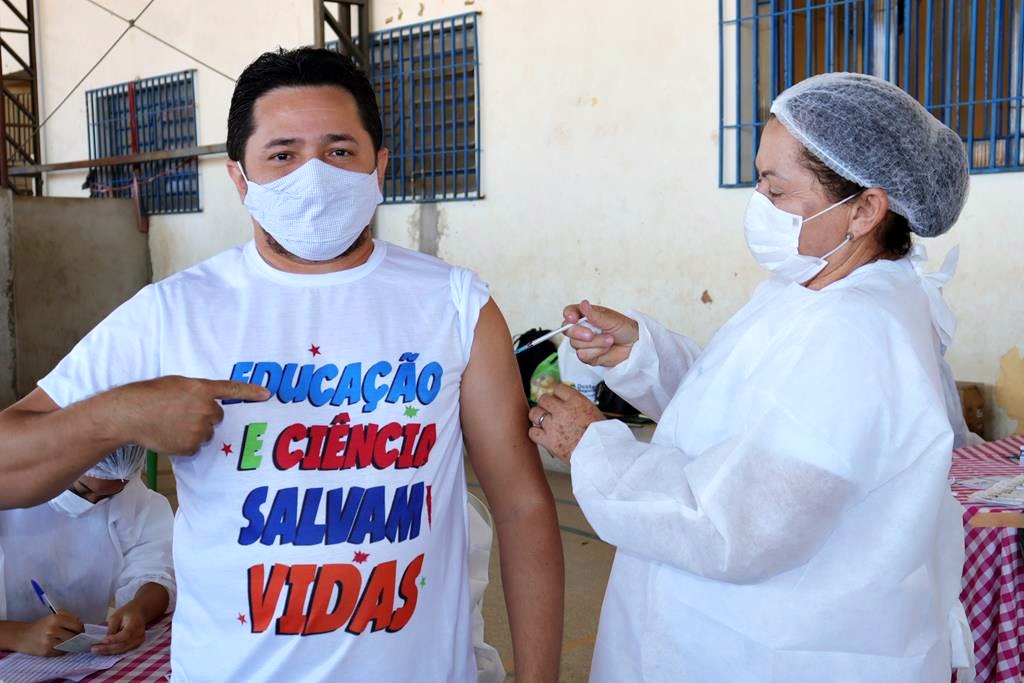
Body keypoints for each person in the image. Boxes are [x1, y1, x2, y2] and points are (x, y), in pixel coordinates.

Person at [0, 48, 563, 682]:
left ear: (380, 166)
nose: (313, 175)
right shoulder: (171, 313)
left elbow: (520, 507)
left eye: (340, 151)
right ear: (241, 178)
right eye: (283, 154)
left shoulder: (455, 305)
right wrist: (116, 415)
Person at [528, 72, 974, 682]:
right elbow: (739, 410)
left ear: (866, 209)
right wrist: (641, 352)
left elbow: (736, 524)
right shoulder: (812, 288)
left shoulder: (858, 335)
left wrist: (594, 445)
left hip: (771, 653)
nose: (758, 203)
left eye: (777, 188)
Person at [0, 444, 174, 657]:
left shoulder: (138, 501)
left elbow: (155, 573)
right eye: (82, 490)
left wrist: (139, 609)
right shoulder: (7, 487)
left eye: (107, 497)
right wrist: (19, 635)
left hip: (72, 657)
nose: (90, 504)